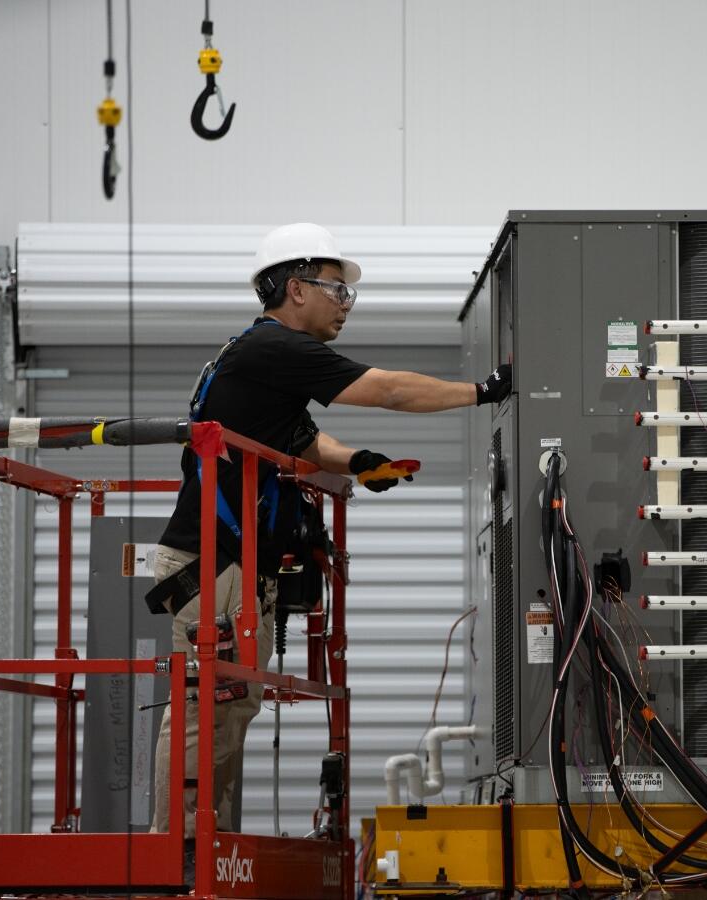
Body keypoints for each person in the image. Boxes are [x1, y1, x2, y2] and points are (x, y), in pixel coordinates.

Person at [147, 223, 511, 835]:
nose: (345, 306)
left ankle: (203, 841)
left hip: (230, 564)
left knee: (229, 710)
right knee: (202, 707)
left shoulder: (259, 360)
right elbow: (390, 390)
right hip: (213, 563)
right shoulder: (276, 350)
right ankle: (177, 849)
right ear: (296, 289)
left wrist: (357, 462)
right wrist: (484, 390)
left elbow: (301, 440)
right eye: (337, 291)